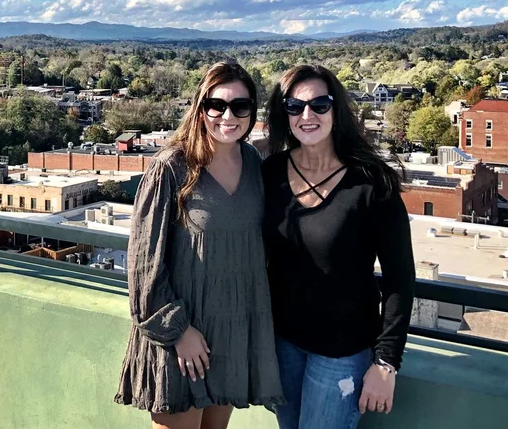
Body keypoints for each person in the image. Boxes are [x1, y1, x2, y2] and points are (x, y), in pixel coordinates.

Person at [115, 60, 284, 429]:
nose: (228, 116)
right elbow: (144, 266)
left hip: (230, 336)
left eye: (240, 106)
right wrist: (179, 332)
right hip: (182, 342)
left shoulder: (254, 163)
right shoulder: (171, 167)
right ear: (200, 108)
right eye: (216, 105)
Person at [262, 64, 414, 429]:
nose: (307, 115)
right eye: (295, 107)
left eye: (320, 104)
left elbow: (399, 278)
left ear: (337, 109)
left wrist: (385, 362)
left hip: (343, 352)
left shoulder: (372, 183)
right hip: (282, 344)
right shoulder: (269, 173)